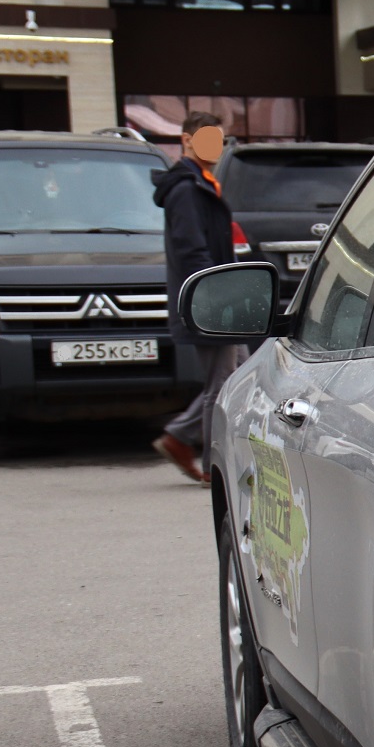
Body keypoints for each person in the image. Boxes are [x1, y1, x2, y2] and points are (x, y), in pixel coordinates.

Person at [151, 112, 239, 483]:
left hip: (214, 295)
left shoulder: (202, 183)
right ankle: (209, 463)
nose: (213, 147)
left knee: (236, 373)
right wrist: (215, 291)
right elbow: (192, 251)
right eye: (205, 139)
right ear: (186, 140)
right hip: (206, 299)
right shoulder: (187, 188)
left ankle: (180, 438)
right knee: (222, 383)